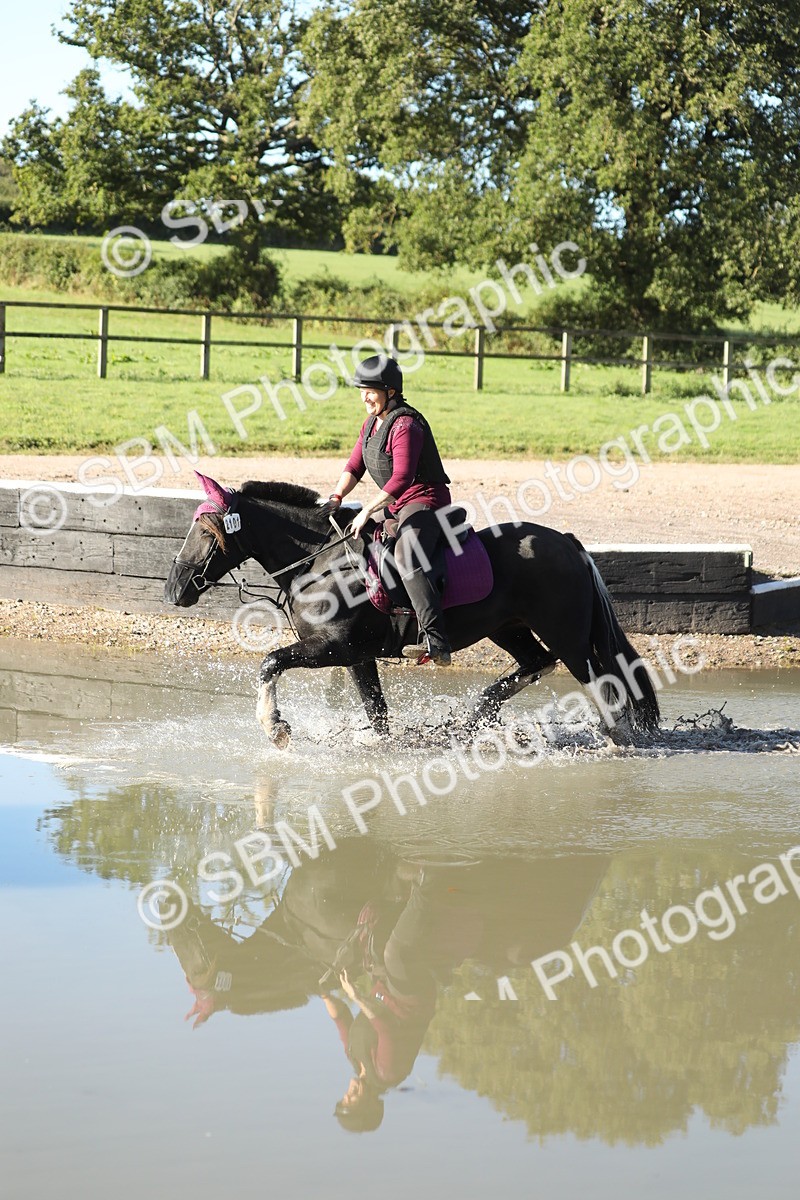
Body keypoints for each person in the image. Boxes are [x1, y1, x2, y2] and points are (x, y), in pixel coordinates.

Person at [327, 354, 453, 665]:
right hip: (396, 505)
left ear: (390, 392)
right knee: (352, 537)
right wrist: (336, 496)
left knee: (408, 556)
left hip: (425, 502)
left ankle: (435, 640)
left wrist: (367, 509)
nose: (364, 398)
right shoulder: (371, 423)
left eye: (370, 391)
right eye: (361, 391)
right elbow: (354, 466)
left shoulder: (406, 425)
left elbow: (402, 478)